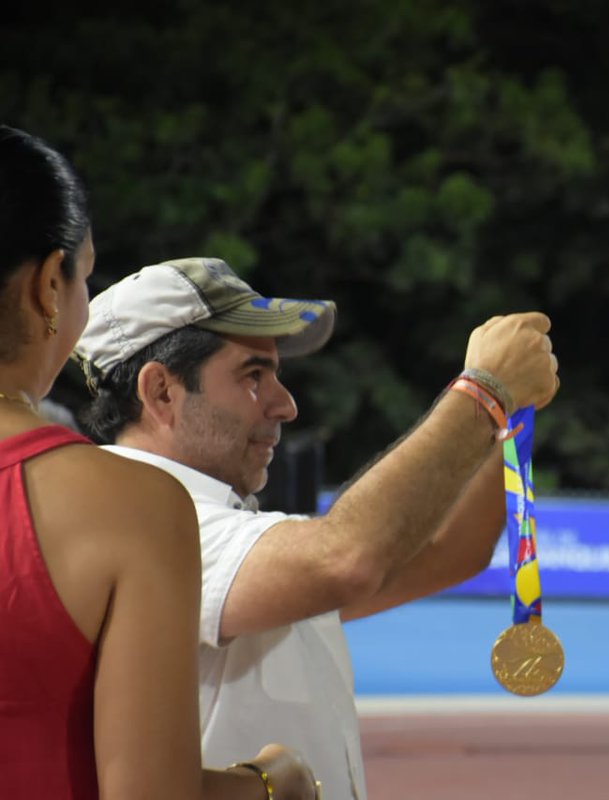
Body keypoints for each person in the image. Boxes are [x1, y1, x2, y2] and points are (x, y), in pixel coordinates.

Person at [72, 254, 559, 797]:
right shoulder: (145, 522)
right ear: (161, 391)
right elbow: (347, 557)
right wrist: (484, 394)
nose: (286, 404)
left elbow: (451, 552)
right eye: (253, 376)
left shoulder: (210, 527)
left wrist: (510, 416)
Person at [0, 126, 318, 798]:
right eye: (83, 275)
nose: (283, 405)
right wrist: (273, 784)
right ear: (45, 287)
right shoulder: (127, 508)